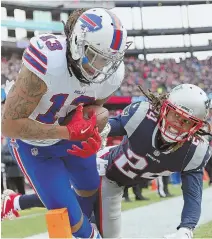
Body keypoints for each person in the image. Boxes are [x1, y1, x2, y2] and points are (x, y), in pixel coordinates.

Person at [3, 84, 212, 238]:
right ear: (164, 109)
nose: (177, 124)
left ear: (196, 127)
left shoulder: (194, 152)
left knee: (67, 199)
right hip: (103, 169)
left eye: (186, 121)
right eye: (175, 115)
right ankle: (15, 203)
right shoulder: (142, 116)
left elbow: (193, 195)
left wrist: (186, 230)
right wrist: (100, 132)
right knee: (79, 215)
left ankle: (15, 202)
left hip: (118, 183)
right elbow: (112, 126)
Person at [1, 8, 129, 238]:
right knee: (76, 224)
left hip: (70, 138)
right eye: (95, 55)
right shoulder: (47, 60)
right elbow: (9, 125)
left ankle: (17, 202)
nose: (100, 67)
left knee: (90, 188)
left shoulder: (112, 75)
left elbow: (90, 112)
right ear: (77, 43)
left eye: (108, 60)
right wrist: (66, 132)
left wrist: (94, 136)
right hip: (34, 145)